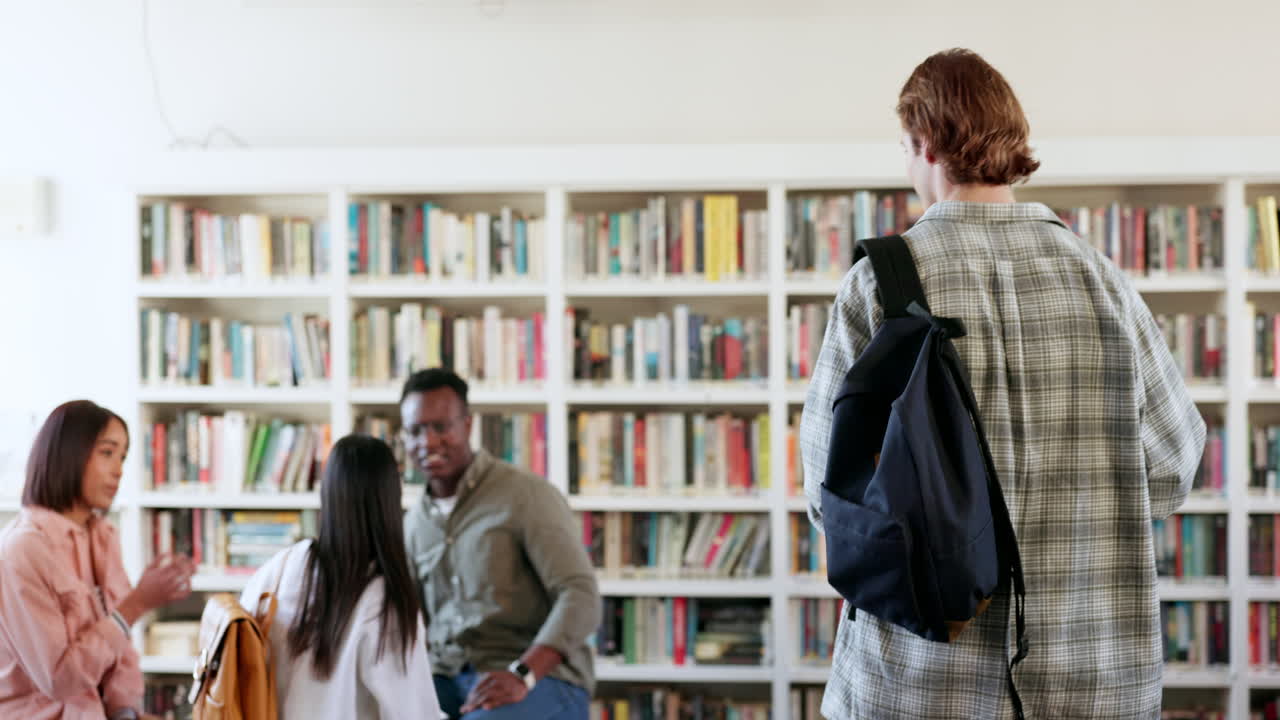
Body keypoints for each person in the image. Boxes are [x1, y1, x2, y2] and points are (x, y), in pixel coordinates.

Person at [801, 49, 1205, 719]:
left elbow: (830, 493)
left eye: (904, 148)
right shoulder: (1103, 281)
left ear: (925, 142)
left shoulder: (881, 282)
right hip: (1090, 681)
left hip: (918, 684)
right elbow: (1172, 471)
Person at [400, 368, 600, 720]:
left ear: (468, 425)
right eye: (415, 430)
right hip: (446, 677)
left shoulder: (525, 495)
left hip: (538, 677)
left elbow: (580, 594)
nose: (427, 442)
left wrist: (523, 673)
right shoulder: (413, 524)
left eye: (441, 427)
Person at [0, 400, 196, 720]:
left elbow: (121, 654)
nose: (118, 469)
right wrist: (137, 603)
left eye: (123, 457)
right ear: (69, 453)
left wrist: (125, 713)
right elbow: (58, 679)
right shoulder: (22, 549)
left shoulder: (104, 536)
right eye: (107, 453)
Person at [239, 434, 442, 720]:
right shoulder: (384, 601)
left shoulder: (282, 565)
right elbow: (413, 712)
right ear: (389, 502)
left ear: (328, 494)